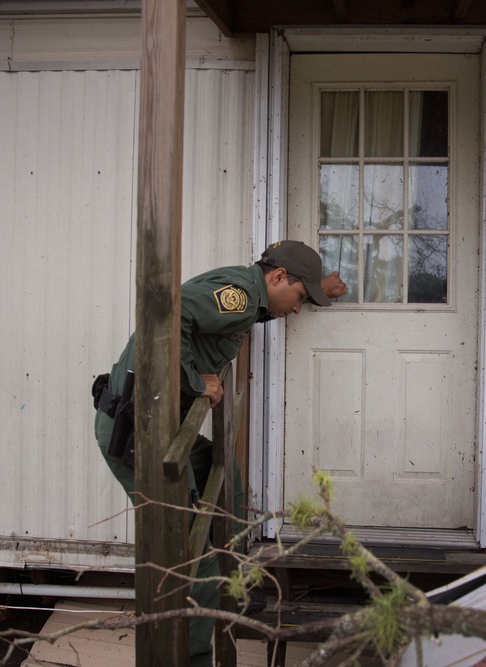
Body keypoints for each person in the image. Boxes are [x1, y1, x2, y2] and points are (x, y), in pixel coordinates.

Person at [92, 240, 346, 667]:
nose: (298, 309)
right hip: (141, 436)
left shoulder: (248, 294)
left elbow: (238, 313)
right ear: (278, 277)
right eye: (301, 298)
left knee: (225, 473)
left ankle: (237, 578)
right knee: (192, 552)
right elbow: (163, 319)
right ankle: (193, 656)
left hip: (162, 430)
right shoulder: (240, 297)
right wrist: (197, 380)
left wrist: (320, 288)